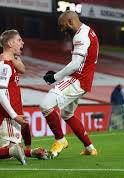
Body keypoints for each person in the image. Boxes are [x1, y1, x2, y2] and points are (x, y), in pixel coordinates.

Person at [40, 11, 98, 157]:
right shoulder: (88, 31)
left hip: (77, 79)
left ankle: (60, 140)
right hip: (84, 81)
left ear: (71, 21)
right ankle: (90, 148)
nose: (62, 30)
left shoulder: (81, 36)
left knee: (46, 105)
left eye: (63, 26)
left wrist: (55, 77)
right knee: (67, 114)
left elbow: (75, 65)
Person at [0, 29, 51, 160]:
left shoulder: (10, 63)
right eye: (19, 40)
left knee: (12, 153)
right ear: (10, 43)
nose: (22, 43)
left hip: (13, 115)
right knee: (10, 155)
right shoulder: (4, 65)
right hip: (8, 116)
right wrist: (14, 116)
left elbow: (11, 87)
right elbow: (0, 94)